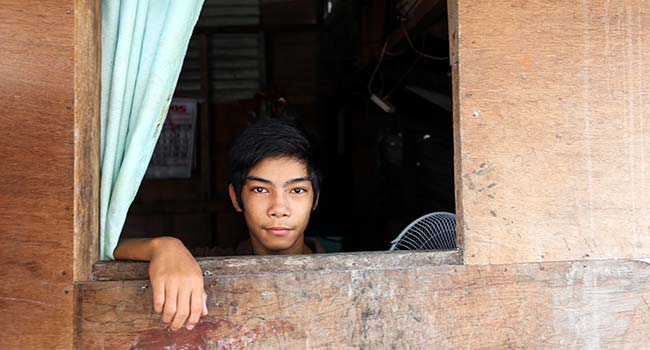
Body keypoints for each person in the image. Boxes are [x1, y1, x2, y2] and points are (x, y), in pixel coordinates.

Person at [113, 117, 323, 331]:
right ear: (236, 198)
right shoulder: (209, 263)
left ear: (314, 199)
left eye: (297, 190)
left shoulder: (341, 264)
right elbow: (105, 248)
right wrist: (163, 247)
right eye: (260, 189)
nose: (279, 208)